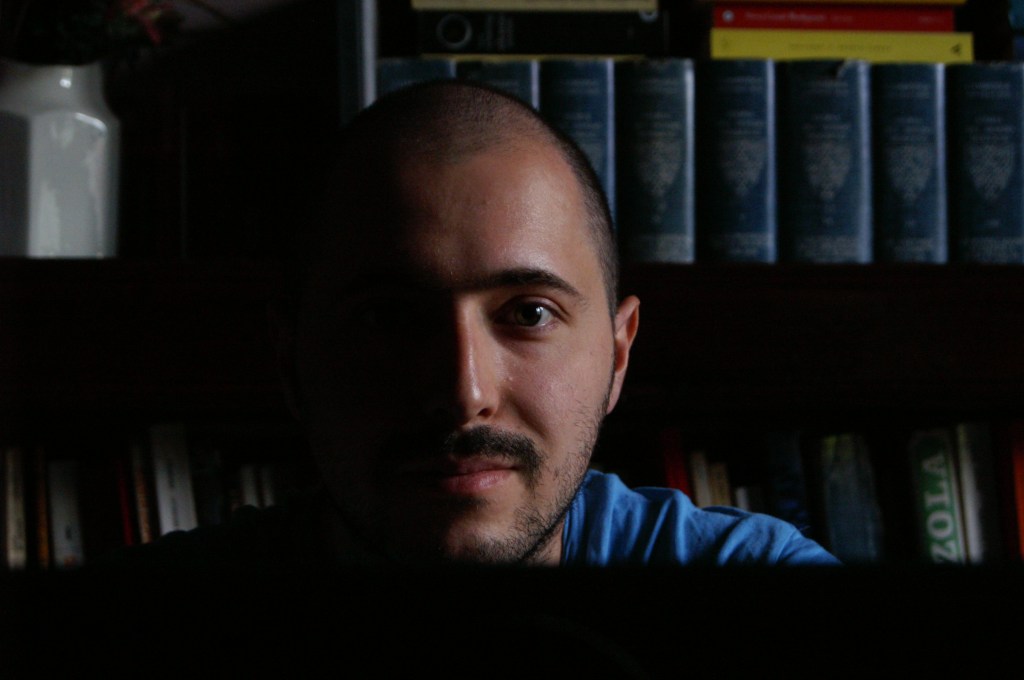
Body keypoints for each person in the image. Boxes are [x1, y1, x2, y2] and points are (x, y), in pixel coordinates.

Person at [122, 79, 836, 569]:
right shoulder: (141, 630)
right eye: (388, 317)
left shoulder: (762, 596)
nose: (464, 394)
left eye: (529, 314)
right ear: (291, 362)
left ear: (619, 355)